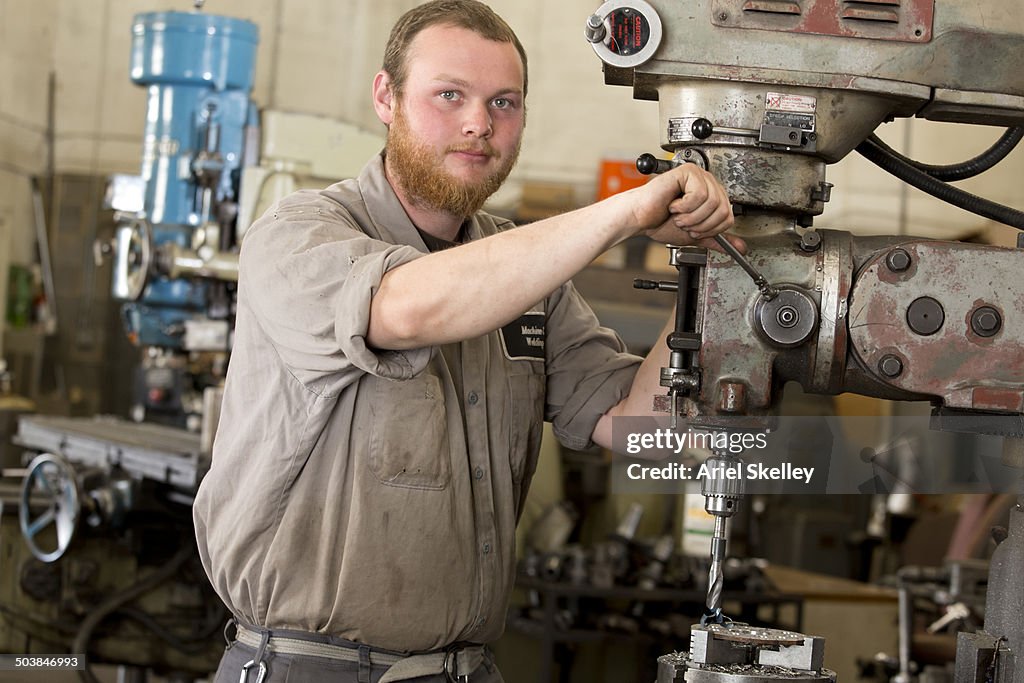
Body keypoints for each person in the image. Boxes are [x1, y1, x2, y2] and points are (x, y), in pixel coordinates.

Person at [193, 1, 740, 681]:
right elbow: (408, 306)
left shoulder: (528, 275)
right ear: (385, 97)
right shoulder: (299, 233)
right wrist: (628, 210)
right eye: (449, 94)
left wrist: (713, 267)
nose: (480, 123)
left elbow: (638, 425)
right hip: (310, 668)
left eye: (504, 102)